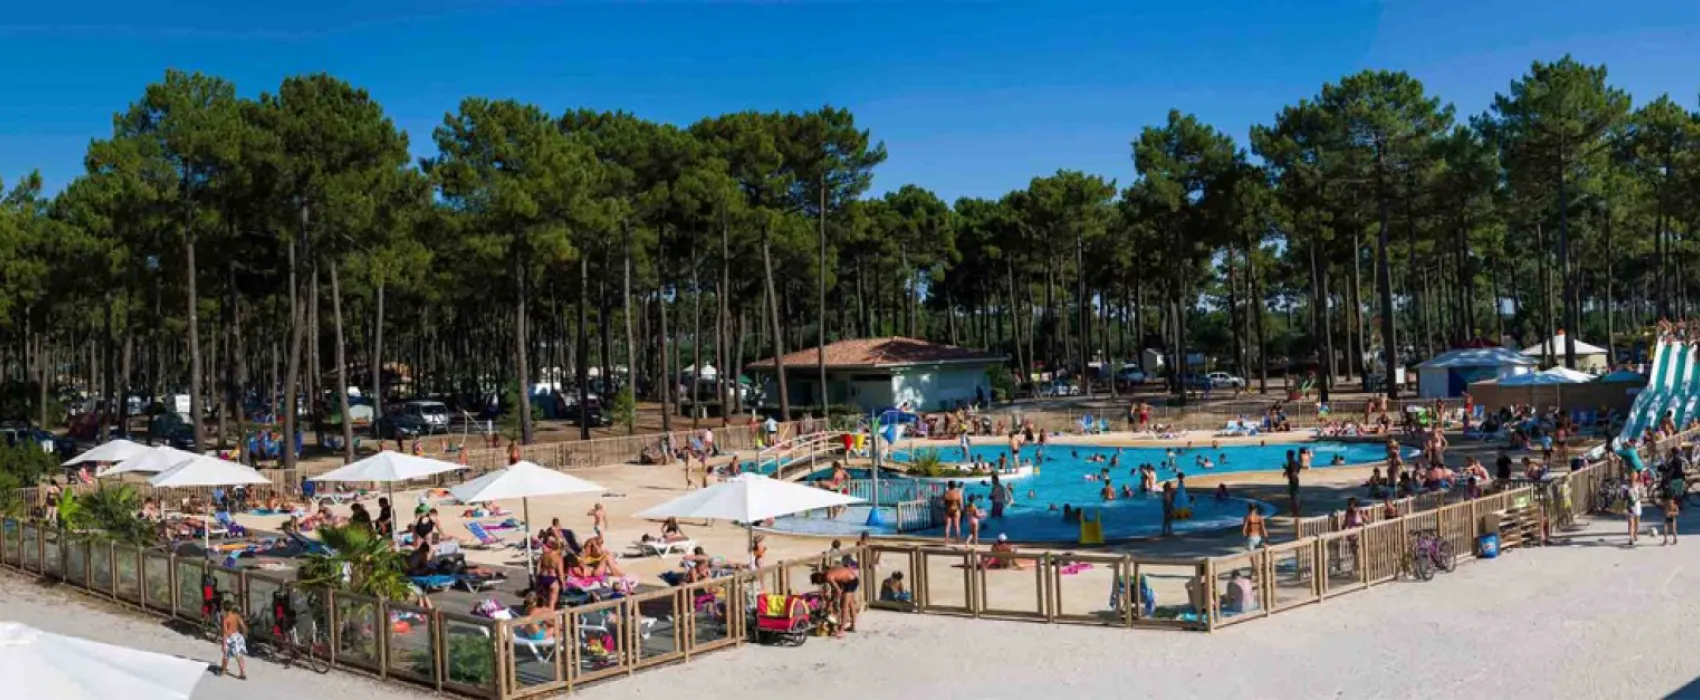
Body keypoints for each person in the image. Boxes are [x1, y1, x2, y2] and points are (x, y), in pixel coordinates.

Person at [812, 565, 859, 637]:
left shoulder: (828, 577)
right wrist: (831, 600)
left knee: (844, 607)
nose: (820, 584)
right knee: (851, 604)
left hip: (850, 581)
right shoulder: (828, 572)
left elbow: (838, 591)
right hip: (853, 578)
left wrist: (831, 602)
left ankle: (841, 631)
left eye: (818, 583)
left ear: (819, 580)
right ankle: (853, 626)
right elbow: (837, 588)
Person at [220, 600, 249, 680]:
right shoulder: (236, 616)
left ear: (224, 609)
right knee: (239, 656)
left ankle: (223, 670)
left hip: (230, 638)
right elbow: (243, 626)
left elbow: (225, 633)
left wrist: (224, 644)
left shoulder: (225, 620)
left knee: (226, 655)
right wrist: (245, 634)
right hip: (238, 636)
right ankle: (242, 673)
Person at [1282, 451, 1302, 517]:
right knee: (1293, 497)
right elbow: (1293, 470)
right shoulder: (1293, 463)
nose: (1286, 457)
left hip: (1294, 482)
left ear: (1289, 456)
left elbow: (1294, 473)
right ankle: (1294, 512)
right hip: (1293, 481)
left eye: (1287, 455)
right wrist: (1286, 470)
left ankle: (1296, 513)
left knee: (1294, 497)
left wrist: (1292, 479)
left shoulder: (1293, 463)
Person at [1626, 477, 1645, 545]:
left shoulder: (1639, 484)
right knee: (1631, 522)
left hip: (1637, 505)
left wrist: (1639, 494)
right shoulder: (1626, 485)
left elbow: (1642, 494)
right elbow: (1622, 496)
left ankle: (1635, 535)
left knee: (1637, 522)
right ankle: (1631, 538)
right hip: (1630, 506)